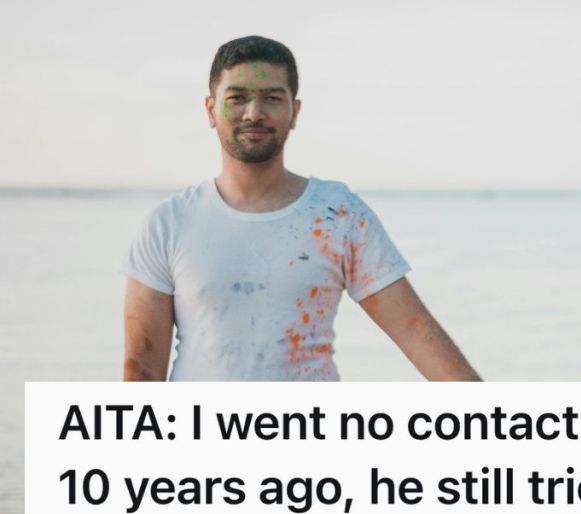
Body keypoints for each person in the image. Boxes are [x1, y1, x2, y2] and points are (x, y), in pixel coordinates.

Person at [122, 35, 480, 381]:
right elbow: (142, 367)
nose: (254, 113)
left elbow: (414, 329)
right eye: (238, 97)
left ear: (294, 111)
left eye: (272, 98)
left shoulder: (338, 214)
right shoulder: (169, 224)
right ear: (211, 109)